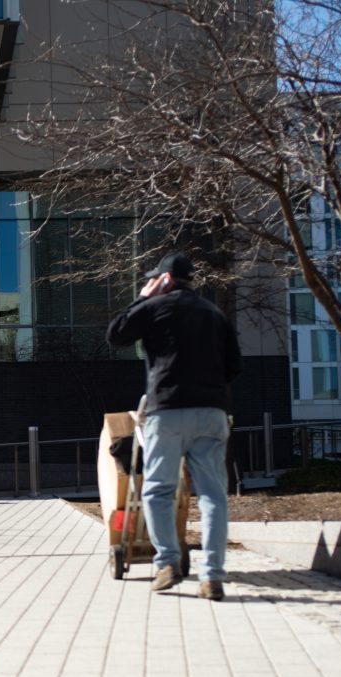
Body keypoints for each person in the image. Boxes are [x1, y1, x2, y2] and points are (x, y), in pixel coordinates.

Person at [106, 252, 242, 601]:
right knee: (213, 495)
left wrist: (142, 298)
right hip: (211, 413)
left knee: (157, 490)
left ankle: (168, 564)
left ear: (164, 280)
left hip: (168, 411)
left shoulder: (154, 308)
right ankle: (212, 576)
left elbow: (116, 334)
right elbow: (233, 366)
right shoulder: (215, 314)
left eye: (156, 280)